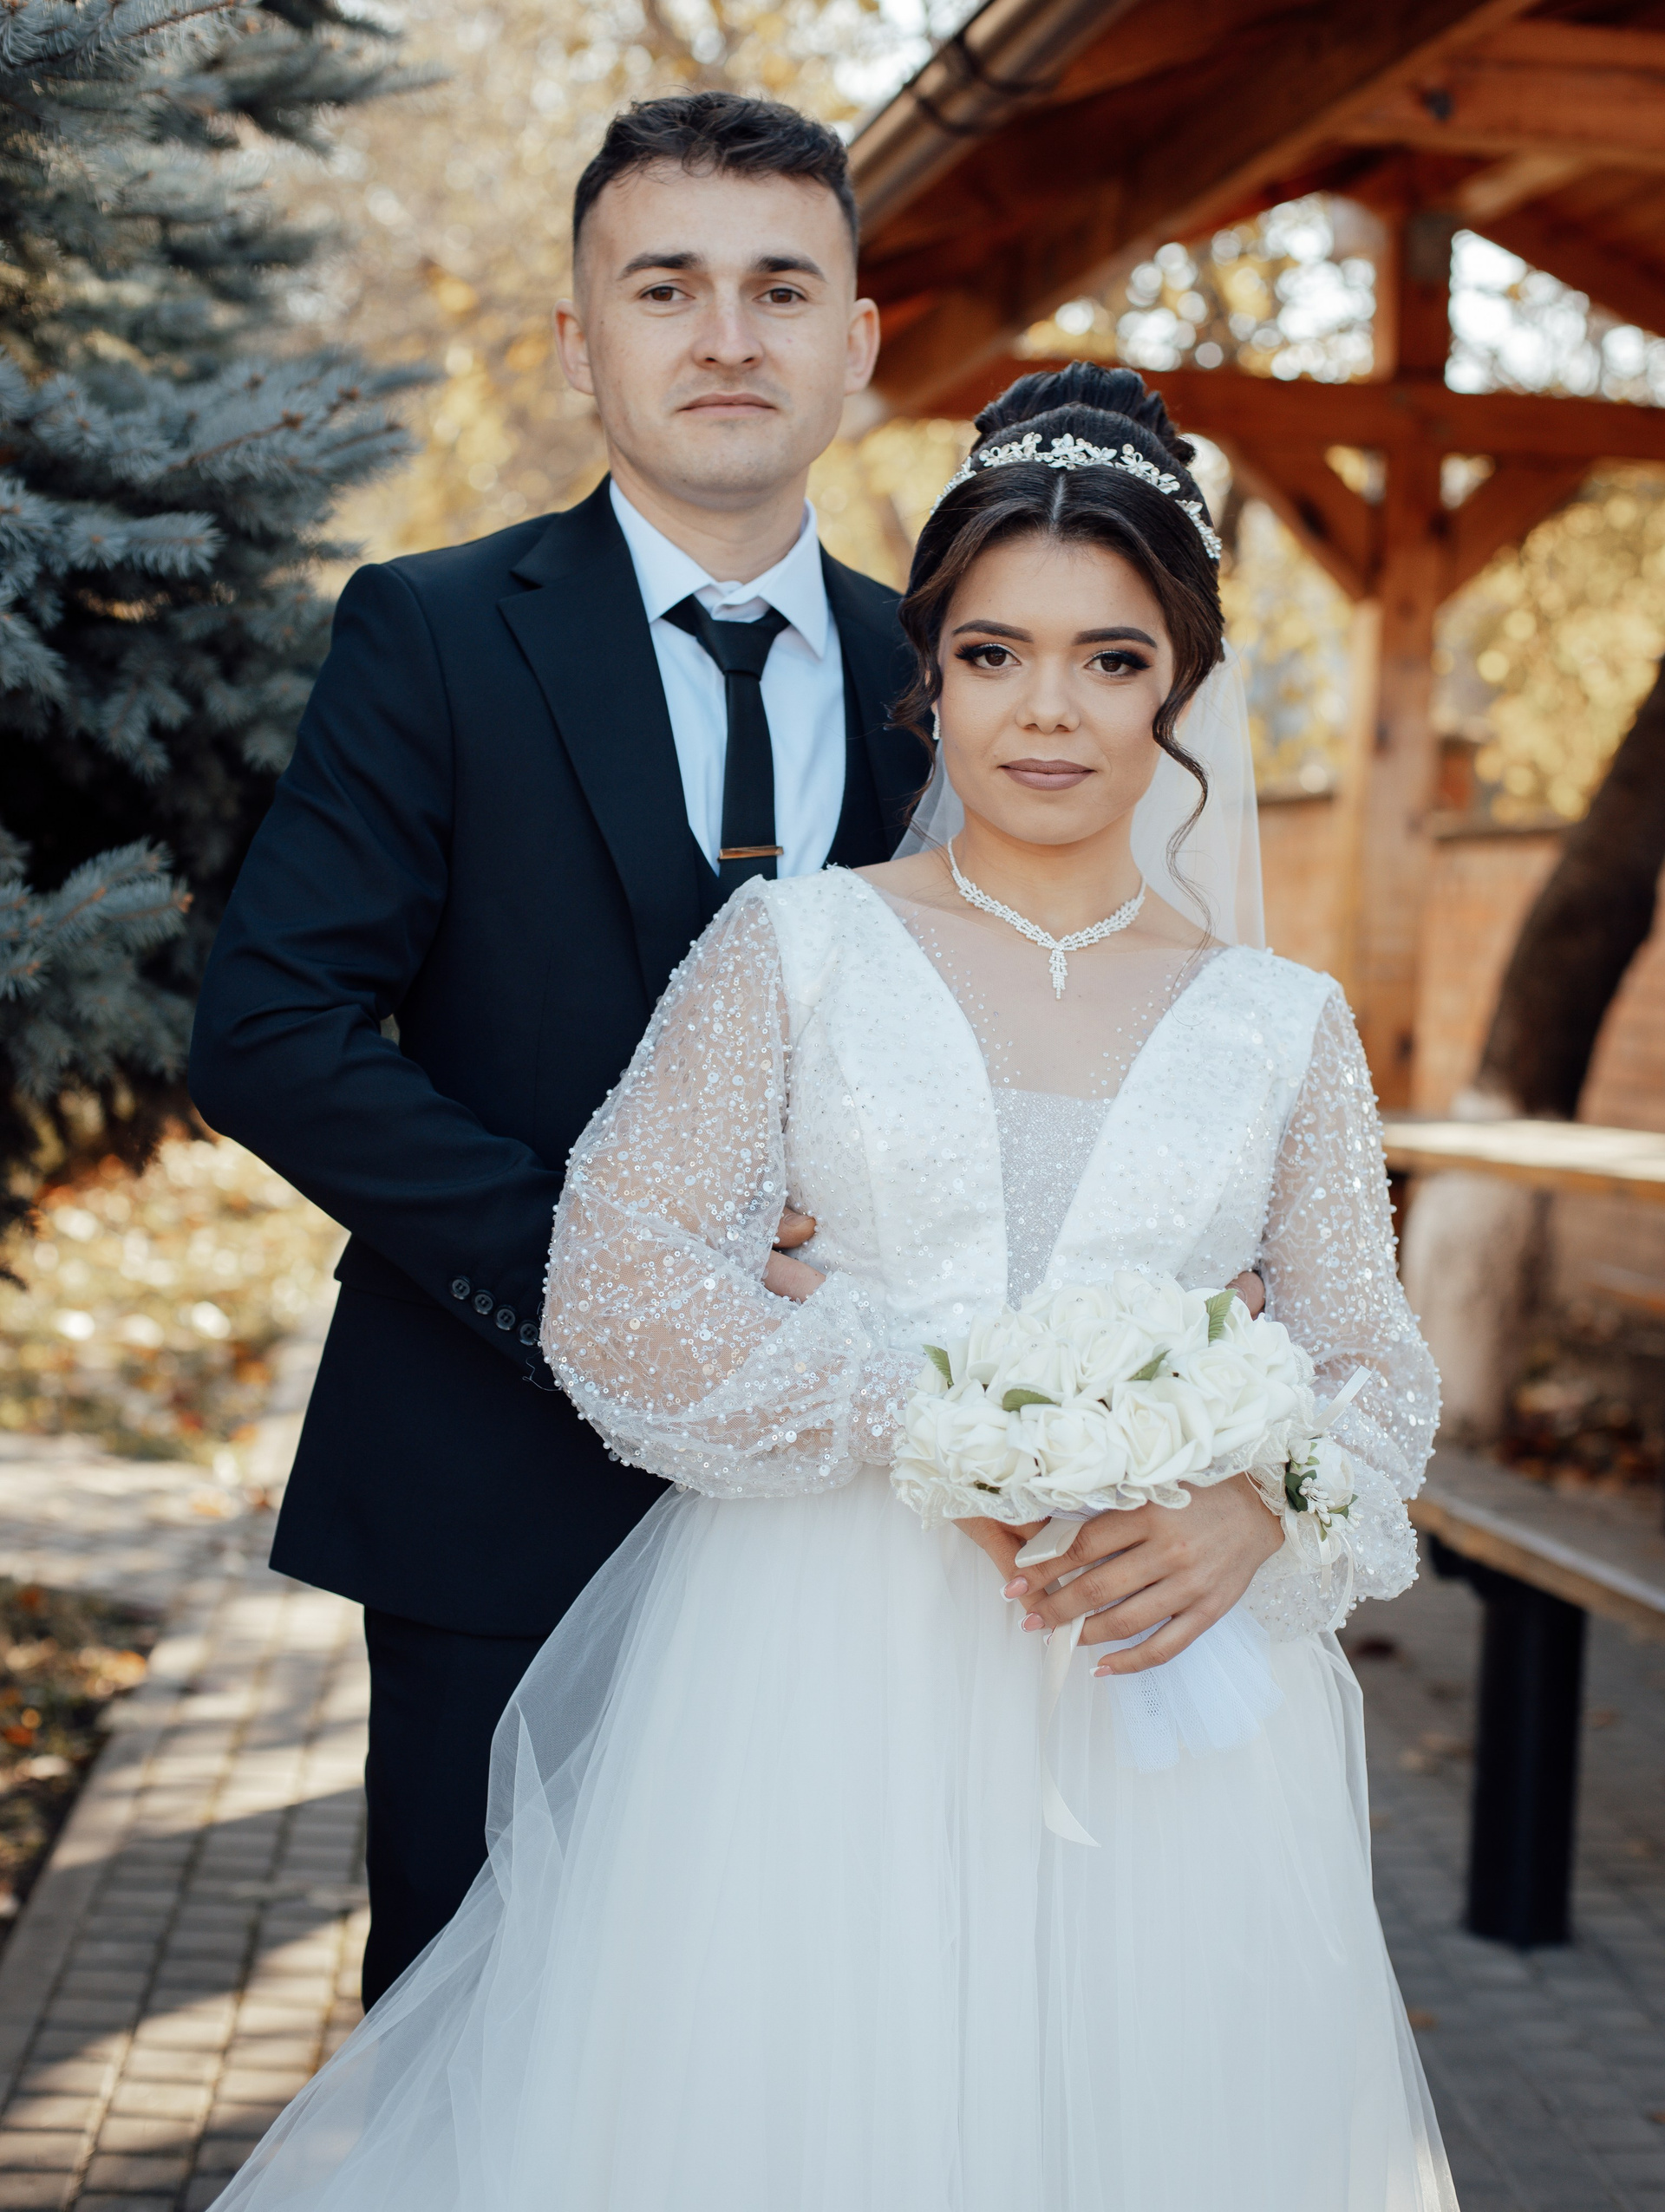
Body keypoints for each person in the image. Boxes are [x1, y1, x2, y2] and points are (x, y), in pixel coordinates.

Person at [207, 362, 1457, 2210]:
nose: (1049, 709)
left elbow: (1373, 1368)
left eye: (1112, 659)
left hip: (1161, 1696)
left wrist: (1257, 1508)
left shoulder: (1286, 1024)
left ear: (1181, 685)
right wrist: (942, 1423)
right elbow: (618, 1279)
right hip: (811, 1666)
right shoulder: (795, 950)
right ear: (927, 673)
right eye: (994, 654)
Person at [186, 89, 931, 2006]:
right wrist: (610, 1279)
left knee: (803, 2036)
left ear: (858, 340)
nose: (726, 335)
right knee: (473, 2040)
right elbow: (270, 1030)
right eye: (664, 286)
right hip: (495, 1484)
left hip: (859, 1527)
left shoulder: (951, 678)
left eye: (781, 288)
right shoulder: (432, 632)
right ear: (581, 342)